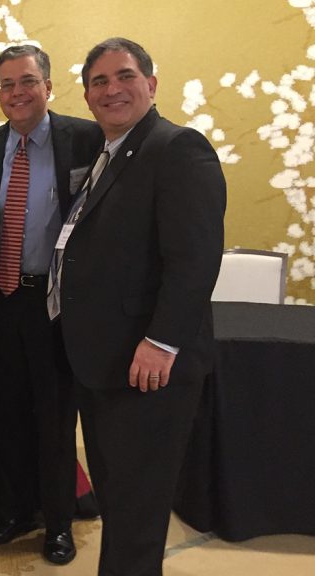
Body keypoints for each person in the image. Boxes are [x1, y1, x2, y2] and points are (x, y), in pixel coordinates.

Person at [55, 38, 225, 576]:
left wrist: (162, 342)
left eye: (124, 76)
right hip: (106, 362)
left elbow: (194, 260)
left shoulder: (178, 148)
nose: (112, 89)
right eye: (99, 82)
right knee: (122, 503)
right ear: (86, 96)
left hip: (148, 366)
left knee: (137, 507)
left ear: (150, 84)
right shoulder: (106, 155)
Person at [0, 45, 103, 565]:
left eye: (26, 81)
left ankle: (58, 523)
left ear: (48, 86)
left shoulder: (87, 140)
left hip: (56, 305)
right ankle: (16, 509)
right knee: (4, 414)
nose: (16, 93)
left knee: (54, 418)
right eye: (6, 84)